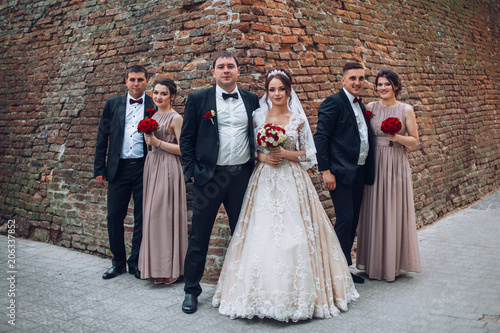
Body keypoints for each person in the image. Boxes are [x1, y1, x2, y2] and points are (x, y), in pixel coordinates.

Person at [212, 69, 359, 322]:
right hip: (264, 179)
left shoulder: (297, 119)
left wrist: (283, 153)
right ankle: (257, 296)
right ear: (267, 93)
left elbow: (307, 153)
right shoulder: (258, 116)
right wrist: (265, 156)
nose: (277, 93)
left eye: (281, 89)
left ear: (289, 92)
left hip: (292, 180)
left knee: (296, 236)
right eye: (272, 89)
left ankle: (300, 296)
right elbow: (251, 150)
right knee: (262, 233)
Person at [179, 52, 260, 314]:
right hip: (209, 177)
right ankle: (191, 291)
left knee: (243, 234)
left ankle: (241, 289)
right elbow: (187, 138)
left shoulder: (251, 99)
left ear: (238, 71)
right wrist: (191, 171)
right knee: (200, 235)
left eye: (231, 66)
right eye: (221, 67)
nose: (226, 71)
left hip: (241, 177)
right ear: (213, 73)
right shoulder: (198, 99)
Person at [356, 68, 421, 281]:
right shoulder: (369, 108)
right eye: (379, 84)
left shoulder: (406, 109)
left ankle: (394, 263)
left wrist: (397, 138)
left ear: (395, 86)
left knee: (393, 209)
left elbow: (414, 140)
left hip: (395, 164)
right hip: (373, 163)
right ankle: (372, 263)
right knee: (373, 208)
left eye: (386, 84)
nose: (382, 88)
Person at [314, 62, 375, 284]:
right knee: (345, 219)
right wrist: (325, 171)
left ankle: (344, 269)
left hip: (359, 171)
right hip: (339, 173)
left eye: (361, 78)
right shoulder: (333, 103)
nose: (357, 82)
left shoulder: (362, 106)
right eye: (352, 78)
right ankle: (335, 271)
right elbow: (321, 137)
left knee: (352, 220)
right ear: (343, 80)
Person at [94, 65, 154, 279]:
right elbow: (102, 138)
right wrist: (99, 168)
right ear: (126, 82)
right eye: (132, 79)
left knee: (141, 217)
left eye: (140, 79)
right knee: (113, 216)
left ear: (147, 81)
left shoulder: (154, 104)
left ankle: (135, 262)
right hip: (118, 169)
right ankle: (118, 262)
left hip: (144, 168)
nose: (136, 83)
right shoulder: (113, 104)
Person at [137, 78, 188, 285]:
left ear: (172, 96)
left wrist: (157, 142)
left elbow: (184, 149)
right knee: (151, 217)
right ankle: (155, 267)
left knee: (165, 216)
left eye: (163, 93)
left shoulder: (176, 118)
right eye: (156, 93)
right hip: (152, 165)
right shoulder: (152, 115)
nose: (158, 97)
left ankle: (172, 268)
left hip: (168, 166)